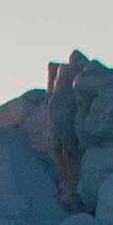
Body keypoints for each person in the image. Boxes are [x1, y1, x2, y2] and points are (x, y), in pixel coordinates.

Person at [43, 53, 88, 214]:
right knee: (64, 153)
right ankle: (69, 193)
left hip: (65, 125)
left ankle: (71, 194)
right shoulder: (63, 88)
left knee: (67, 153)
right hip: (62, 125)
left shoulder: (66, 87)